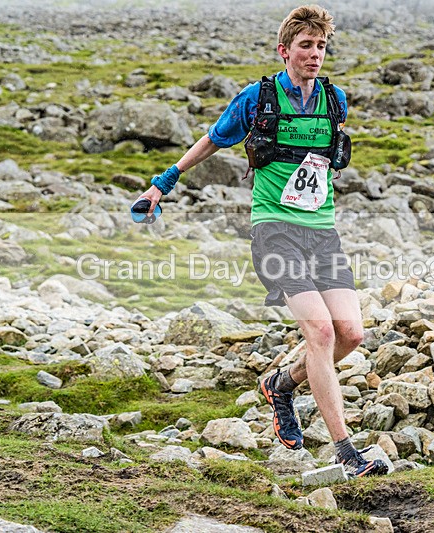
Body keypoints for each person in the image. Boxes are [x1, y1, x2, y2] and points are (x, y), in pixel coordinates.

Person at [135, 4, 387, 478]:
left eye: (321, 46)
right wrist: (161, 183)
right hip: (274, 230)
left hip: (322, 232)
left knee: (351, 333)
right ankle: (347, 453)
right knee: (321, 332)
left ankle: (282, 383)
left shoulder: (337, 102)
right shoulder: (258, 98)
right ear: (285, 50)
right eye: (306, 46)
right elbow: (213, 140)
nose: (315, 54)